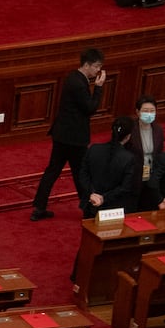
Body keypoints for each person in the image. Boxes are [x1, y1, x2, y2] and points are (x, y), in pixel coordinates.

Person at [30, 47, 105, 221]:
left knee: (53, 170)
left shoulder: (73, 77)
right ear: (87, 65)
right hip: (74, 139)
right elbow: (90, 108)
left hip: (62, 134)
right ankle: (87, 210)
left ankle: (39, 207)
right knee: (80, 174)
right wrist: (99, 88)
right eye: (96, 66)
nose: (98, 71)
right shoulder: (79, 83)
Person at [78, 116, 139, 218]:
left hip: (91, 204)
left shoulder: (94, 149)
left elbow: (83, 175)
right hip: (112, 208)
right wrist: (103, 198)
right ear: (128, 136)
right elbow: (125, 187)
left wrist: (92, 194)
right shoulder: (129, 158)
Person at [133, 95, 165, 210]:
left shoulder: (158, 130)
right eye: (145, 111)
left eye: (152, 111)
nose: (149, 114)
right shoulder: (131, 129)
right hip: (135, 174)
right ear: (137, 112)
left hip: (152, 172)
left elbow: (160, 152)